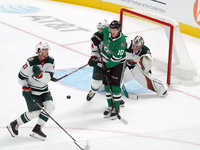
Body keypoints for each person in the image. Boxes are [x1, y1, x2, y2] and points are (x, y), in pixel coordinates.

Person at [7, 42, 55, 141]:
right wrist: (25, 87)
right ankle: (14, 124)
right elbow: (21, 77)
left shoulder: (51, 60)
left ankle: (37, 129)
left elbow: (48, 78)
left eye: (47, 49)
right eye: (45, 50)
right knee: (35, 112)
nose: (47, 51)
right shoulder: (30, 62)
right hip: (32, 92)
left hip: (44, 90)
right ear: (39, 51)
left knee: (50, 106)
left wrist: (41, 76)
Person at [91, 20, 127, 120]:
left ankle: (117, 108)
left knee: (115, 86)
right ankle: (110, 106)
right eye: (111, 29)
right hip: (105, 61)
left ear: (119, 29)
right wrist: (97, 37)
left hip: (117, 64)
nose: (112, 31)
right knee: (107, 85)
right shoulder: (107, 30)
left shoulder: (121, 42)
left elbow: (116, 59)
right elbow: (100, 34)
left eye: (115, 29)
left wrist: (106, 67)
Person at [86, 19, 109, 101]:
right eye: (99, 28)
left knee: (113, 82)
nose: (100, 30)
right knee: (97, 82)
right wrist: (94, 58)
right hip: (100, 62)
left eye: (102, 28)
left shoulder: (112, 35)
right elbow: (94, 51)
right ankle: (93, 90)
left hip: (111, 62)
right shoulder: (95, 37)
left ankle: (115, 97)